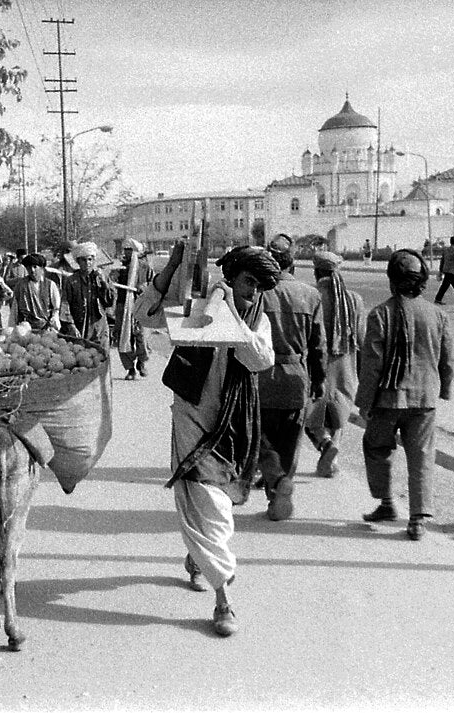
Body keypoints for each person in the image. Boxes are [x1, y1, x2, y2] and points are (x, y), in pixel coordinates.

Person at [163, 246, 281, 637]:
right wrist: (175, 270)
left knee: (220, 499)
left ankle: (197, 558)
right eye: (248, 282)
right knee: (207, 502)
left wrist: (233, 317)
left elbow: (260, 360)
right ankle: (223, 598)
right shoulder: (198, 306)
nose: (253, 291)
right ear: (230, 278)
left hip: (233, 421)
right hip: (192, 418)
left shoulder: (256, 319)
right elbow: (153, 319)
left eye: (260, 286)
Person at [356, 249, 454, 541]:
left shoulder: (380, 314)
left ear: (392, 281)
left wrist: (365, 403)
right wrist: (444, 389)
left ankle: (386, 503)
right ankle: (418, 520)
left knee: (376, 448)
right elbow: (447, 360)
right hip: (424, 400)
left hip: (387, 400)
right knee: (421, 456)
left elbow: (371, 364)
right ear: (422, 283)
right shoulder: (438, 315)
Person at [257, 234, 326, 521]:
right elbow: (318, 346)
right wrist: (319, 382)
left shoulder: (258, 292)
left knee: (258, 438)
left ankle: (274, 480)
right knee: (289, 441)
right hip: (297, 377)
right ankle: (278, 495)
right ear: (292, 261)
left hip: (260, 375)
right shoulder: (310, 294)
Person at [304, 250, 365, 478]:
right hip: (345, 363)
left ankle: (325, 443)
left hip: (316, 362)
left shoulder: (310, 296)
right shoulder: (354, 300)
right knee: (339, 411)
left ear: (316, 271)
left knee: (312, 413)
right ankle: (332, 459)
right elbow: (361, 338)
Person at [111, 238, 155, 380]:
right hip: (123, 306)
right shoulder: (121, 268)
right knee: (123, 337)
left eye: (131, 250)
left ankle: (141, 362)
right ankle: (130, 368)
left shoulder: (145, 267)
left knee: (141, 335)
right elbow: (111, 285)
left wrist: (144, 288)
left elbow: (155, 285)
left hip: (140, 305)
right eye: (126, 250)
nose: (128, 253)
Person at [60, 241, 115, 350]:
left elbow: (109, 301)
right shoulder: (71, 281)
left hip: (98, 326)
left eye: (90, 259)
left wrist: (104, 283)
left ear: (94, 260)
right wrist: (70, 324)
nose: (87, 263)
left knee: (102, 357)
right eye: (83, 260)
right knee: (82, 358)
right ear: (78, 262)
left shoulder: (101, 278)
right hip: (79, 326)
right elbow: (65, 304)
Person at [10, 252, 62, 330]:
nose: (32, 270)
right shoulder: (21, 285)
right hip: (25, 328)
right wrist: (12, 327)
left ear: (41, 268)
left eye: (35, 267)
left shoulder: (50, 285)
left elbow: (56, 307)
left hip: (46, 328)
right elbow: (14, 309)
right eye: (29, 268)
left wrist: (54, 320)